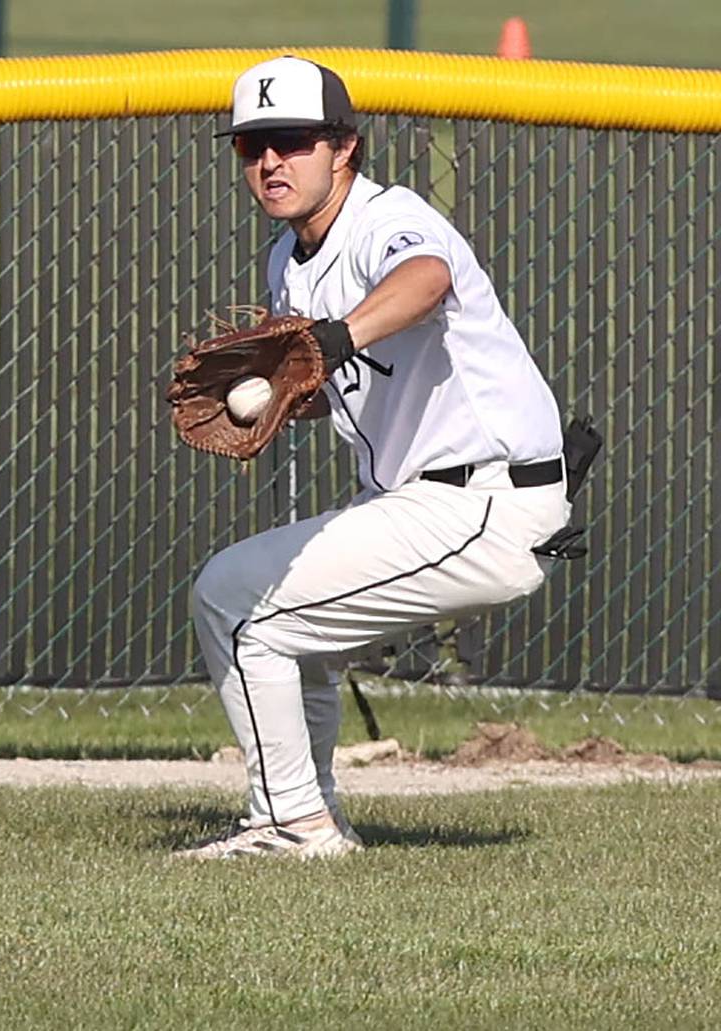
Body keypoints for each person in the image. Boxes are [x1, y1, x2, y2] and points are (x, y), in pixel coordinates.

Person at [182, 55, 570, 859]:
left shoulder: (390, 219)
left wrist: (334, 336)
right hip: (415, 501)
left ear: (344, 148)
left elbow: (425, 280)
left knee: (235, 600)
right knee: (299, 637)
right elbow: (339, 371)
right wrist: (292, 394)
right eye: (251, 146)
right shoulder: (285, 262)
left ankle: (289, 823)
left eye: (292, 142)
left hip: (485, 499)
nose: (270, 163)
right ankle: (310, 816)